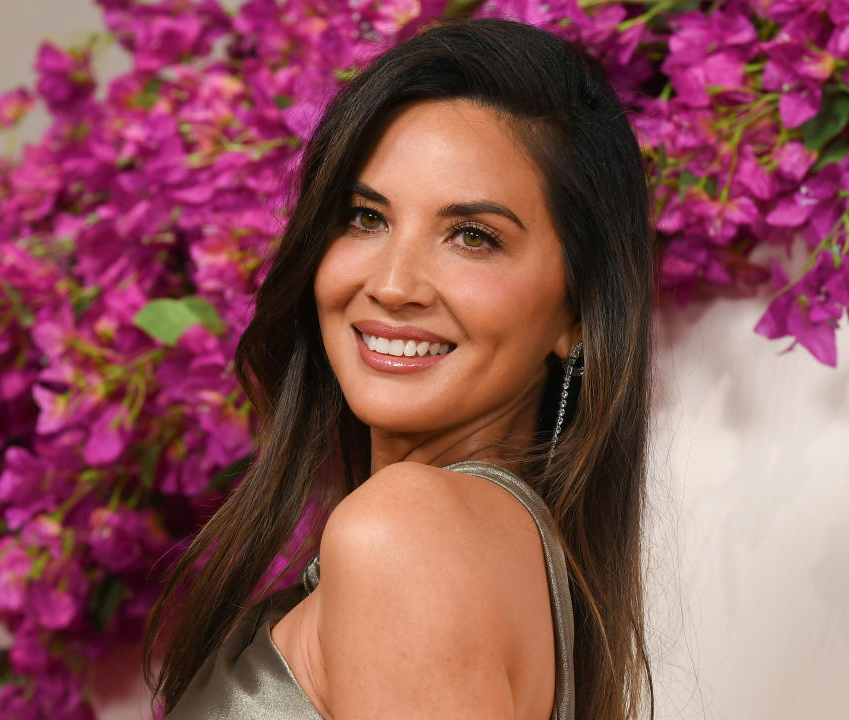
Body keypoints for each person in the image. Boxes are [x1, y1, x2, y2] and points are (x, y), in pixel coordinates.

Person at [145, 17, 654, 720]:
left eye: (473, 237)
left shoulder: (406, 535)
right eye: (364, 217)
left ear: (576, 313)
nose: (392, 284)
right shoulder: (501, 554)